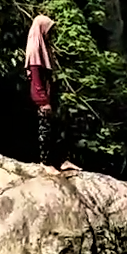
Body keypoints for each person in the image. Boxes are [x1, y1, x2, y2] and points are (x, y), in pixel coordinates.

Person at [24, 14, 80, 174]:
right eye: (48, 30)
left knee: (59, 127)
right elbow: (36, 79)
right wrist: (43, 100)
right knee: (45, 129)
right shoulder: (35, 48)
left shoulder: (44, 47)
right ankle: (45, 162)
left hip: (49, 93)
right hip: (41, 95)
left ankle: (62, 160)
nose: (50, 34)